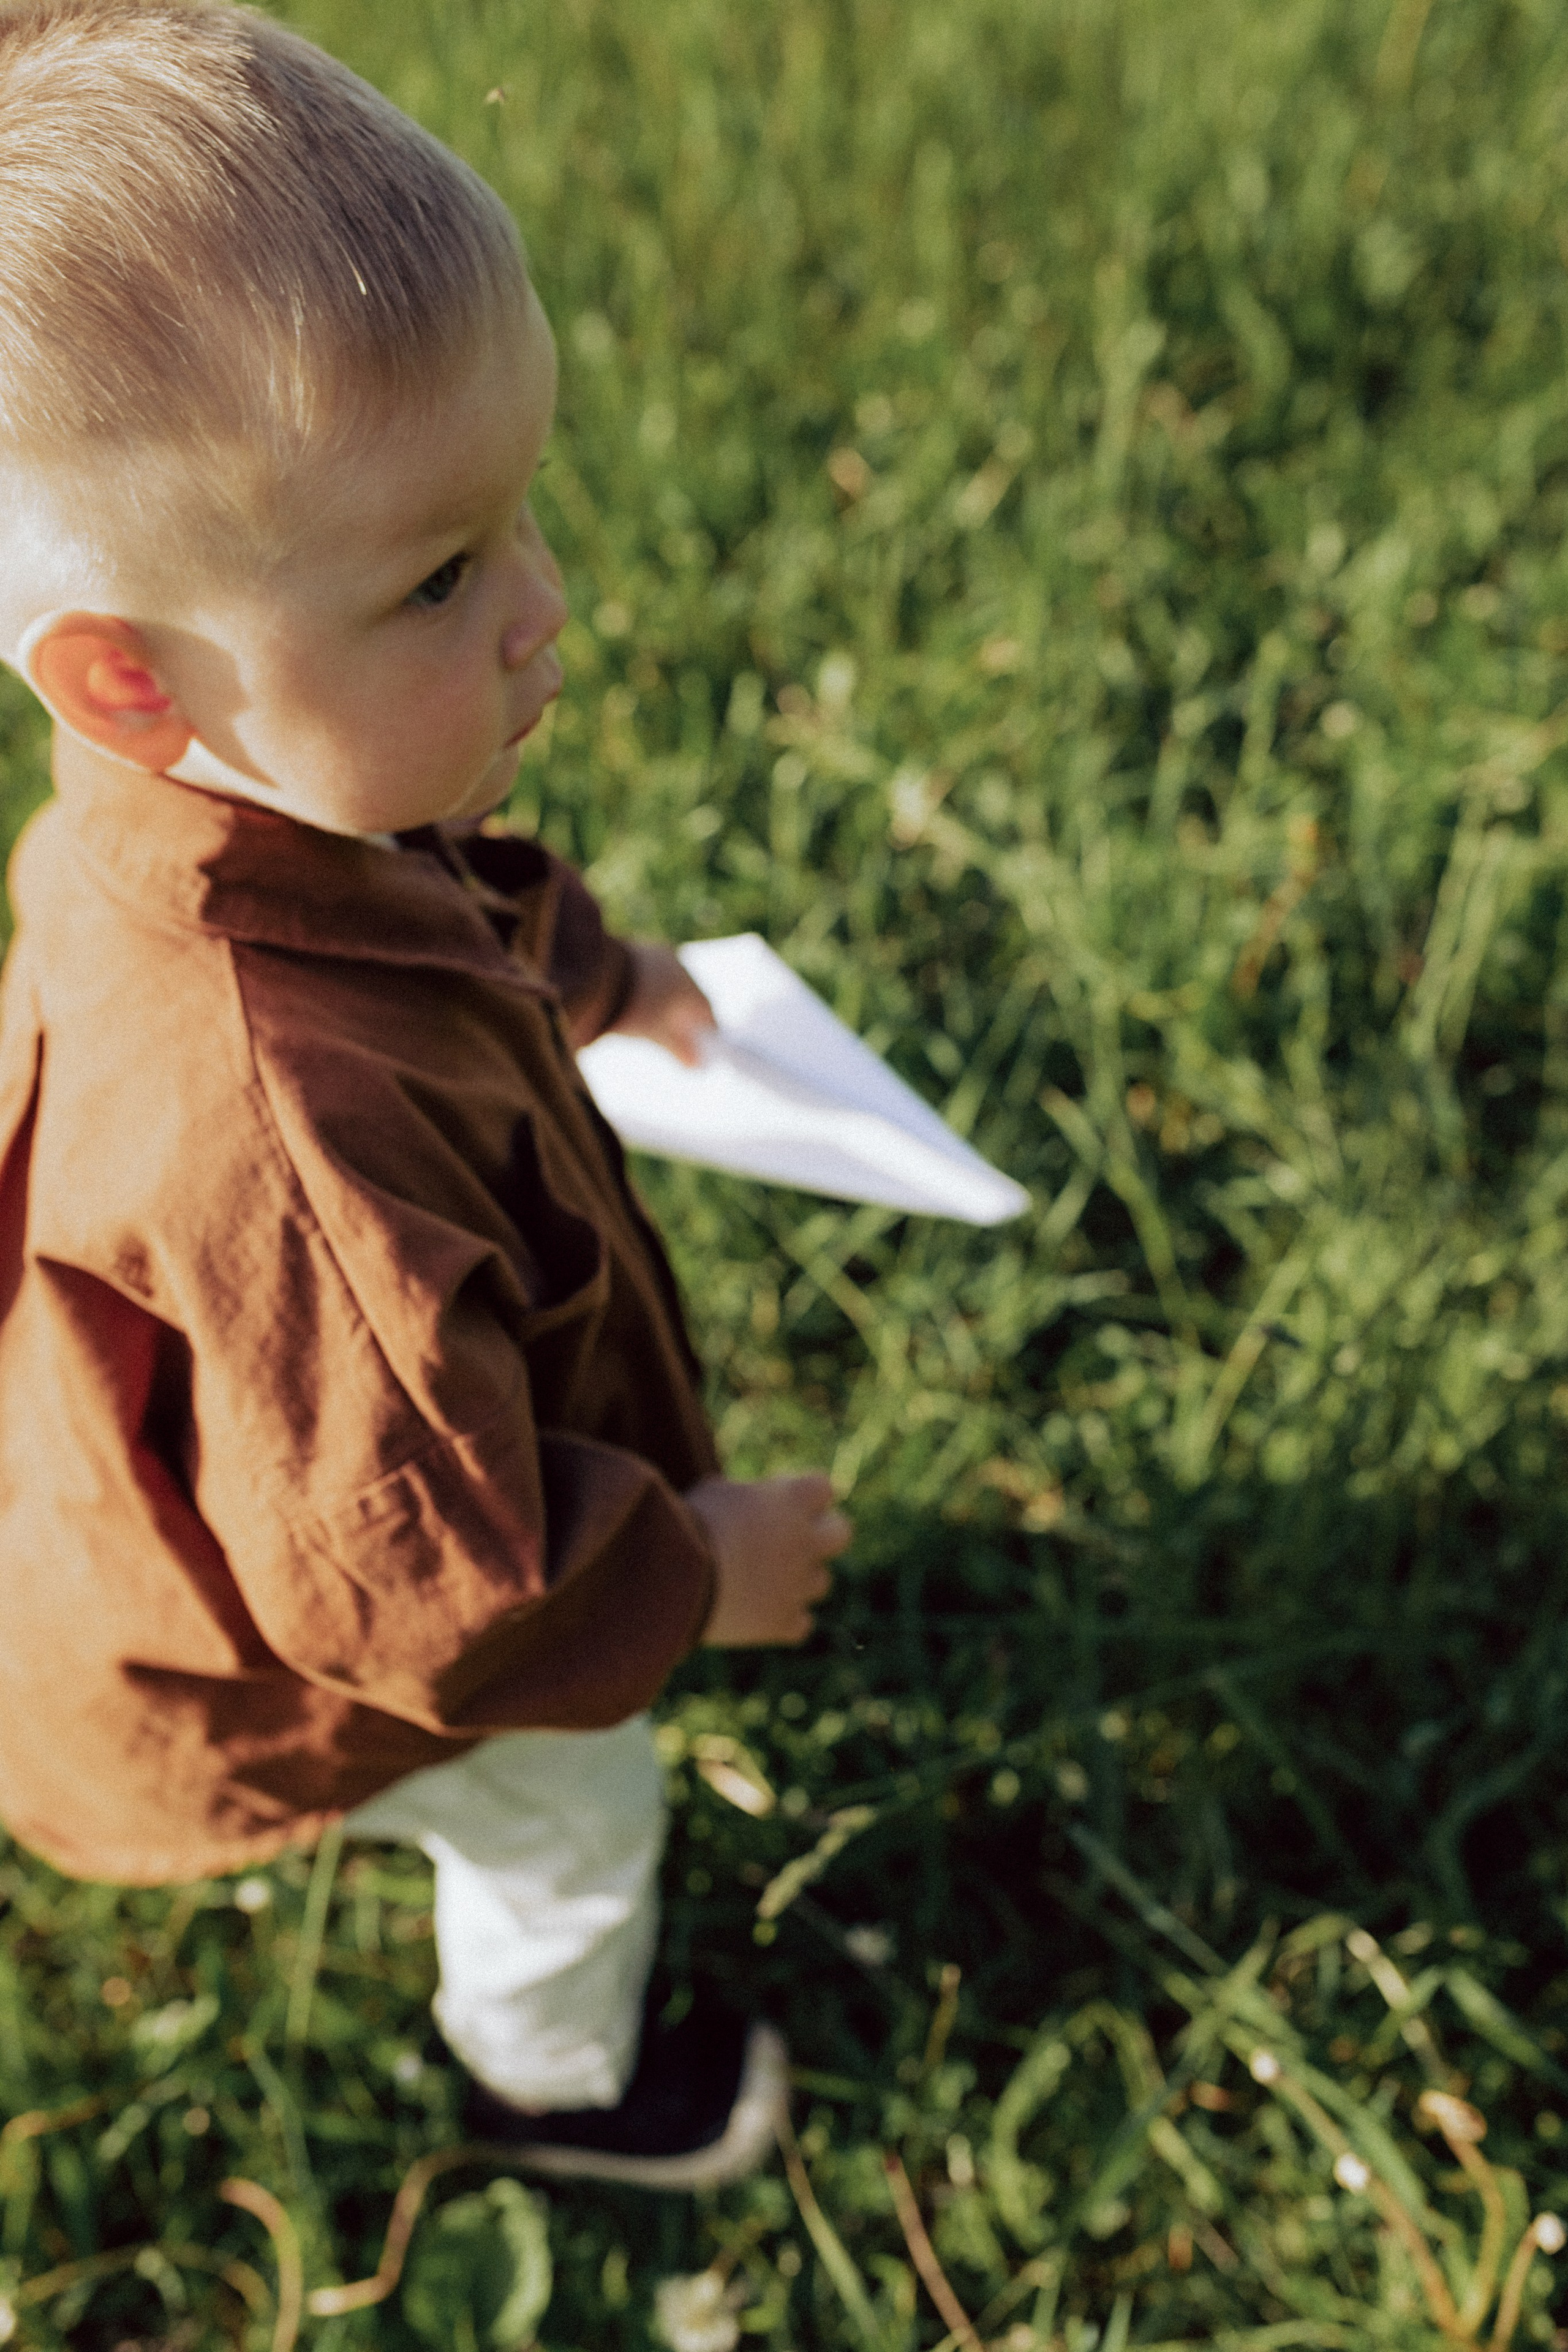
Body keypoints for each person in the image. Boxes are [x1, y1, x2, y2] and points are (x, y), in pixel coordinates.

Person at [0, 0, 850, 2188]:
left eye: (520, 518)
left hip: (212, 1499)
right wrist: (691, 1568)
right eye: (444, 575)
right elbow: (427, 1600)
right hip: (302, 1647)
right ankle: (559, 2097)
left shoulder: (195, 801)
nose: (549, 610)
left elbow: (425, 885)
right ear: (127, 672)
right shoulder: (291, 1140)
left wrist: (608, 979)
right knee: (580, 1804)